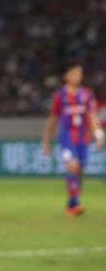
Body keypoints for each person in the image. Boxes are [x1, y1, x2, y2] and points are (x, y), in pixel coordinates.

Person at [41, 62, 104, 216]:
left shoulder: (87, 94)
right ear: (66, 76)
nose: (78, 76)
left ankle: (74, 198)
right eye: (74, 73)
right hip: (67, 138)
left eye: (80, 73)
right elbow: (52, 119)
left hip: (83, 138)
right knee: (73, 166)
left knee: (80, 170)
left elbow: (92, 115)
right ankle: (73, 204)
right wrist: (46, 140)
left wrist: (98, 133)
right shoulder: (59, 96)